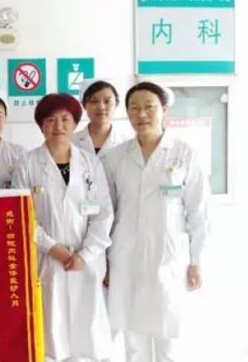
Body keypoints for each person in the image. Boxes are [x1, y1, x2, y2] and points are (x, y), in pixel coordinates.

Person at [102, 82, 210, 362]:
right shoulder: (115, 158)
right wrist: (105, 262)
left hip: (170, 257)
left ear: (164, 109)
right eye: (134, 108)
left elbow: (199, 212)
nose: (141, 114)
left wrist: (197, 261)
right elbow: (106, 213)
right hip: (126, 257)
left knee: (169, 339)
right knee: (133, 341)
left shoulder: (184, 154)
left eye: (149, 107)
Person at [12, 93, 113, 362]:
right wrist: (53, 248)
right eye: (50, 120)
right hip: (47, 259)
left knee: (88, 334)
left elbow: (103, 213)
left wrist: (85, 254)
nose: (58, 126)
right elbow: (22, 215)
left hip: (86, 260)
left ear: (75, 123)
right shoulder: (27, 163)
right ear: (41, 125)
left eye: (65, 119)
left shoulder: (90, 163)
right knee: (51, 333)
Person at [73, 79, 131, 159]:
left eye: (107, 101)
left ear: (116, 104)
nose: (101, 107)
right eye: (94, 101)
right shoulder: (71, 142)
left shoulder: (127, 143)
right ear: (84, 105)